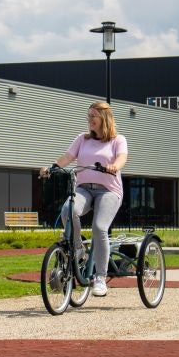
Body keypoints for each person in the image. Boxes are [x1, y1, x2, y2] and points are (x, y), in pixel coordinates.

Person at [41, 101, 128, 297]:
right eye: (88, 116)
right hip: (84, 189)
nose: (89, 120)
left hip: (109, 190)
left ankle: (100, 278)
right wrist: (52, 167)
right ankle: (78, 248)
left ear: (104, 118)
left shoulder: (117, 140)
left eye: (93, 116)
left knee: (99, 227)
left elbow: (122, 158)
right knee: (67, 211)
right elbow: (67, 156)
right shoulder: (83, 139)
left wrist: (114, 165)